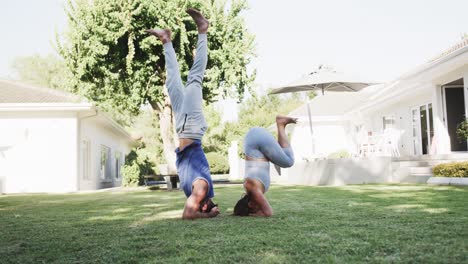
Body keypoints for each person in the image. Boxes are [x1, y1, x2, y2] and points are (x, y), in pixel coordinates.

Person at [146, 8, 219, 220]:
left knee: (172, 84)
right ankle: (202, 30)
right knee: (195, 78)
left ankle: (166, 40)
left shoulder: (196, 191)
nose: (195, 205)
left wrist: (208, 212)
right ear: (204, 205)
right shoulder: (202, 190)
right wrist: (210, 216)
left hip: (182, 129)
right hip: (193, 128)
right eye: (201, 208)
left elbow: (191, 209)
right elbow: (188, 214)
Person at [234, 116, 297, 217]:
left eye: (254, 210)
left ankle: (280, 124)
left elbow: (268, 213)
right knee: (285, 159)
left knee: (288, 161)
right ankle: (281, 125)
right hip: (255, 140)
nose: (260, 208)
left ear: (250, 204)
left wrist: (252, 215)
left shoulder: (253, 189)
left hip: (256, 140)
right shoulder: (251, 188)